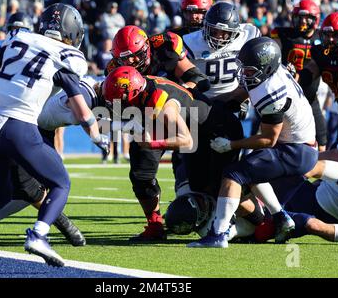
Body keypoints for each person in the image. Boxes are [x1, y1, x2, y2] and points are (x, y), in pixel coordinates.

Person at [0, 3, 108, 269]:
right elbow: (79, 106)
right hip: (21, 128)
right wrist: (96, 135)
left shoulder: (18, 40)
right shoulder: (66, 55)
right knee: (61, 183)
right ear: (71, 31)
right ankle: (38, 235)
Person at [188, 37, 318, 248]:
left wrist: (231, 144)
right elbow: (240, 93)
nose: (244, 73)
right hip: (297, 145)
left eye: (249, 69)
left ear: (266, 68)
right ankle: (281, 218)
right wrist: (206, 105)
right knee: (251, 172)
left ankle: (218, 234)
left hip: (296, 150)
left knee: (233, 173)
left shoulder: (272, 93)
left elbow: (268, 139)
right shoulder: (268, 74)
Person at [102, 66, 243, 241]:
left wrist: (152, 144)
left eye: (120, 100)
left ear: (135, 92)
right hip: (199, 135)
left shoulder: (162, 103)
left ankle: (263, 221)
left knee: (222, 186)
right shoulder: (140, 85)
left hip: (219, 132)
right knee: (199, 187)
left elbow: (186, 140)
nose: (119, 105)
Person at [271, 0, 328, 151]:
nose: (303, 21)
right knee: (273, 134)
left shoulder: (322, 38)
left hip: (309, 95)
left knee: (322, 139)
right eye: (299, 17)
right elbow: (273, 51)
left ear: (315, 18)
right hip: (286, 94)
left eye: (307, 17)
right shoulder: (282, 33)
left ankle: (318, 173)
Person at [182, 1, 261, 101]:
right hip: (201, 100)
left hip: (234, 97)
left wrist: (244, 96)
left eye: (225, 33)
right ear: (205, 27)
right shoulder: (191, 42)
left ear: (234, 32)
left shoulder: (248, 35)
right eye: (214, 31)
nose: (219, 36)